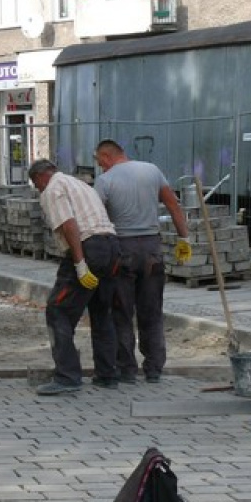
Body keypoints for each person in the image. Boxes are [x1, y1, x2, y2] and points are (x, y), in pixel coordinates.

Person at [94, 139, 191, 384]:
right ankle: (154, 368)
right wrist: (184, 239)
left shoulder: (105, 181)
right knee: (152, 311)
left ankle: (126, 369)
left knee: (122, 312)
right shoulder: (152, 170)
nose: (100, 166)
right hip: (152, 249)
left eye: (99, 161)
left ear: (106, 156)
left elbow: (97, 217)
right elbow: (173, 204)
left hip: (122, 250)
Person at [27, 159, 120, 396]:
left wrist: (79, 264)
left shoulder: (53, 189)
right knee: (101, 311)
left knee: (57, 310)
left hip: (88, 248)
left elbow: (69, 226)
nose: (39, 190)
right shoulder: (81, 185)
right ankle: (107, 374)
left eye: (36, 185)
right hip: (111, 247)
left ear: (40, 177)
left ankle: (67, 377)